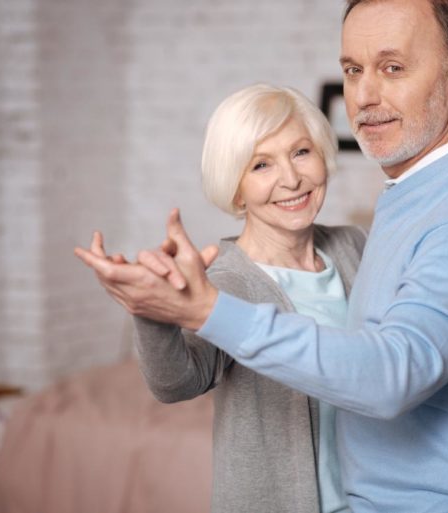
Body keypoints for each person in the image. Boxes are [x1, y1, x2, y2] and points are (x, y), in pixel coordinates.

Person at [76, 0, 448, 511]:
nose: (365, 96)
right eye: (353, 70)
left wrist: (205, 311)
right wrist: (157, 311)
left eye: (393, 68)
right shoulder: (414, 197)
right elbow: (178, 380)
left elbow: (392, 372)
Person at [78, 84, 366, 513]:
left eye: (301, 152)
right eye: (261, 165)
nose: (290, 178)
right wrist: (152, 314)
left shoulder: (352, 246)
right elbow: (176, 384)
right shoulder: (230, 280)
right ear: (236, 189)